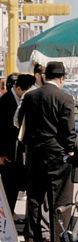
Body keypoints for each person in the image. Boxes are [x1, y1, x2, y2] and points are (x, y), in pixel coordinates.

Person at [19, 62, 76, 242]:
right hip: (56, 156)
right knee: (60, 200)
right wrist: (70, 149)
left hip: (34, 153)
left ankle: (35, 240)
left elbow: (20, 122)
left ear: (44, 76)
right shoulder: (65, 98)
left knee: (35, 199)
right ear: (61, 78)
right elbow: (68, 130)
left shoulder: (30, 97)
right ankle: (58, 241)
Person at [0, 74, 35, 216]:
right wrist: (1, 154)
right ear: (18, 88)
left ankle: (10, 213)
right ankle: (7, 216)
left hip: (17, 152)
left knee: (14, 184)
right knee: (8, 185)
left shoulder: (20, 100)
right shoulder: (5, 101)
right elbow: (0, 130)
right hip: (7, 153)